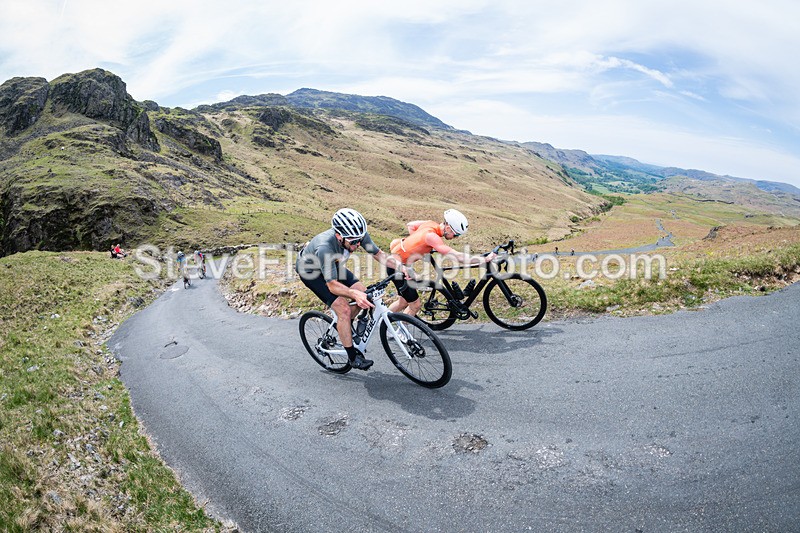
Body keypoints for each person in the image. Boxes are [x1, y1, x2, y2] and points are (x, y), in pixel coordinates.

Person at [295, 208, 411, 371]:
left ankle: (345, 325)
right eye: (353, 242)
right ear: (339, 236)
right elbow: (332, 285)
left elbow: (379, 254)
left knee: (365, 294)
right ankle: (352, 357)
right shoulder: (325, 247)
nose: (358, 245)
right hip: (311, 272)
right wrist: (352, 293)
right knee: (344, 309)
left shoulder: (357, 235)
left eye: (359, 240)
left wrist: (400, 266)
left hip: (332, 265)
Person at [387, 209, 496, 316]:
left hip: (396, 263)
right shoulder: (432, 237)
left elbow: (411, 225)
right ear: (448, 228)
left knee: (403, 302)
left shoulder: (430, 224)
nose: (455, 238)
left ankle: (379, 319)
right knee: (415, 306)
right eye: (456, 235)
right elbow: (457, 257)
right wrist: (484, 259)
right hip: (397, 268)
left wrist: (418, 244)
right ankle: (398, 333)